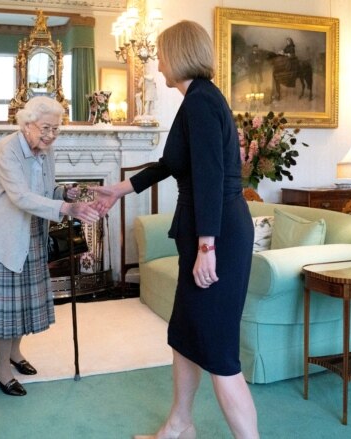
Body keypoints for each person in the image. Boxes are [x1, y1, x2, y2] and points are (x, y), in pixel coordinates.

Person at [93, 21, 259, 439]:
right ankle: (179, 426)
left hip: (218, 233)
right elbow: (171, 165)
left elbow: (208, 174)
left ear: (180, 55)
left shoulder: (202, 101)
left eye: (162, 54)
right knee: (184, 334)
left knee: (220, 352)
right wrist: (120, 188)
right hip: (208, 231)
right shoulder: (196, 101)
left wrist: (207, 246)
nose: (159, 62)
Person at [0, 96, 100, 397]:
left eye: (56, 129)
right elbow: (19, 196)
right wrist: (67, 210)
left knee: (23, 304)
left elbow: (45, 190)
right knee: (6, 309)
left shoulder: (46, 151)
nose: (51, 135)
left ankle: (15, 355)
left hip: (32, 231)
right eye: (46, 128)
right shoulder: (6, 150)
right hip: (6, 235)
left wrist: (66, 192)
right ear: (27, 124)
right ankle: (0, 368)